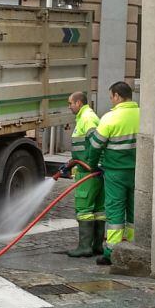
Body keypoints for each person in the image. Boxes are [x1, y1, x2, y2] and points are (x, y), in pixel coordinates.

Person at [86, 81, 140, 266]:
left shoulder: (110, 118)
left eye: (111, 97)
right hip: (137, 172)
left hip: (115, 173)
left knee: (115, 210)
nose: (111, 101)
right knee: (134, 210)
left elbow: (95, 146)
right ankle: (133, 245)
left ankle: (112, 252)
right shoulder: (142, 114)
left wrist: (91, 166)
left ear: (117, 96)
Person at [65, 91, 106, 258]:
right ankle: (97, 246)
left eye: (70, 104)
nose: (69, 107)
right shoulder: (87, 116)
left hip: (87, 171)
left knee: (84, 209)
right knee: (98, 209)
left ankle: (84, 247)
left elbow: (95, 142)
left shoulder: (87, 118)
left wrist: (88, 164)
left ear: (79, 103)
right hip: (95, 170)